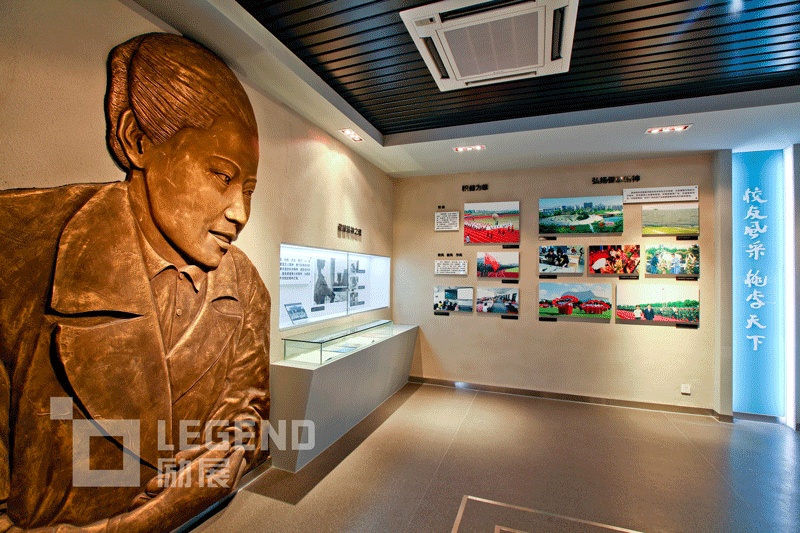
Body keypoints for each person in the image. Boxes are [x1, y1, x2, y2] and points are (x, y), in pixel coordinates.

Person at [0, 33, 270, 532]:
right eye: (221, 176)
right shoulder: (15, 249)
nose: (240, 213)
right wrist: (148, 519)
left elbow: (249, 416)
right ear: (137, 140)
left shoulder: (244, 283)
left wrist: (229, 454)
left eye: (248, 189)